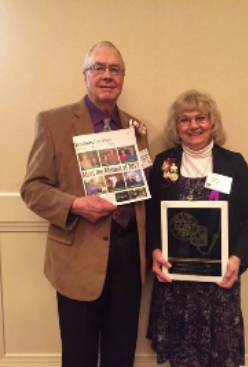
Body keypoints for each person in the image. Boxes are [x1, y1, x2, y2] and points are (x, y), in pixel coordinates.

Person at [21, 41, 149, 367]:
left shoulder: (137, 128)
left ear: (123, 77)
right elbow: (33, 188)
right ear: (85, 76)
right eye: (99, 68)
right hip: (77, 260)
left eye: (115, 69)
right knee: (78, 356)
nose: (107, 75)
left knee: (121, 355)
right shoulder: (53, 122)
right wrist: (76, 204)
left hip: (129, 261)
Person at [146, 90, 248, 367]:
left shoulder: (233, 163)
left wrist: (238, 259)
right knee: (181, 357)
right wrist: (154, 250)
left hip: (219, 281)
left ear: (213, 123)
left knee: (219, 357)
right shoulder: (164, 163)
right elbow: (151, 216)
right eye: (184, 120)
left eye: (201, 118)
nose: (193, 126)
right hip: (175, 282)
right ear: (176, 127)